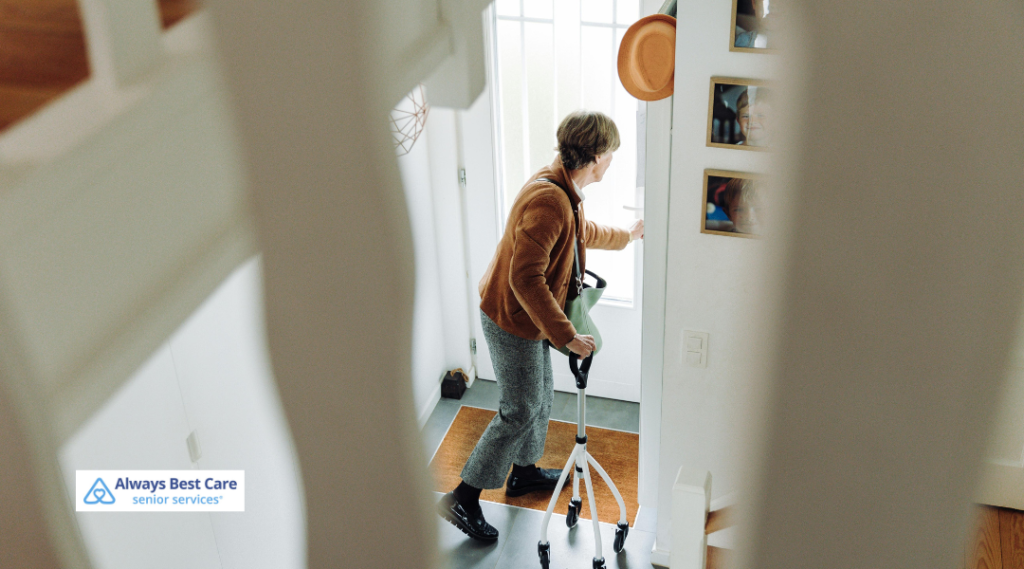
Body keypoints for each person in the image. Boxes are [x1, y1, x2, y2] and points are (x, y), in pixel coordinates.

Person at [437, 110, 644, 542]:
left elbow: (579, 232)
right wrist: (566, 335)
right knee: (520, 408)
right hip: (511, 319)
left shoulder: (562, 190)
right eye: (612, 155)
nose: (612, 162)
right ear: (598, 155)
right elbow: (524, 278)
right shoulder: (550, 199)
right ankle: (464, 495)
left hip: (526, 319)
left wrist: (626, 236)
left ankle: (524, 474)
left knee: (540, 394)